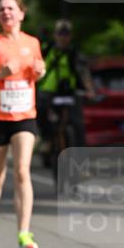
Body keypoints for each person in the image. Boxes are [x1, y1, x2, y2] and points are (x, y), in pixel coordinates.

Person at [0, 0, 45, 248]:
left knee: (21, 171)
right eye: (1, 9)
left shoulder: (33, 42)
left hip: (24, 116)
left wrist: (40, 73)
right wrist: (1, 74)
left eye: (10, 8)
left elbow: (36, 72)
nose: (6, 13)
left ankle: (24, 234)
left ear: (21, 13)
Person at [37, 19, 94, 150]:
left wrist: (89, 90)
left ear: (70, 36)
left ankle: (80, 155)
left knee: (78, 124)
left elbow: (84, 72)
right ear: (55, 35)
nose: (63, 37)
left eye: (66, 34)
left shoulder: (75, 52)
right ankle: (47, 139)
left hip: (71, 91)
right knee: (41, 111)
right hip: (49, 90)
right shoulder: (48, 49)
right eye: (60, 34)